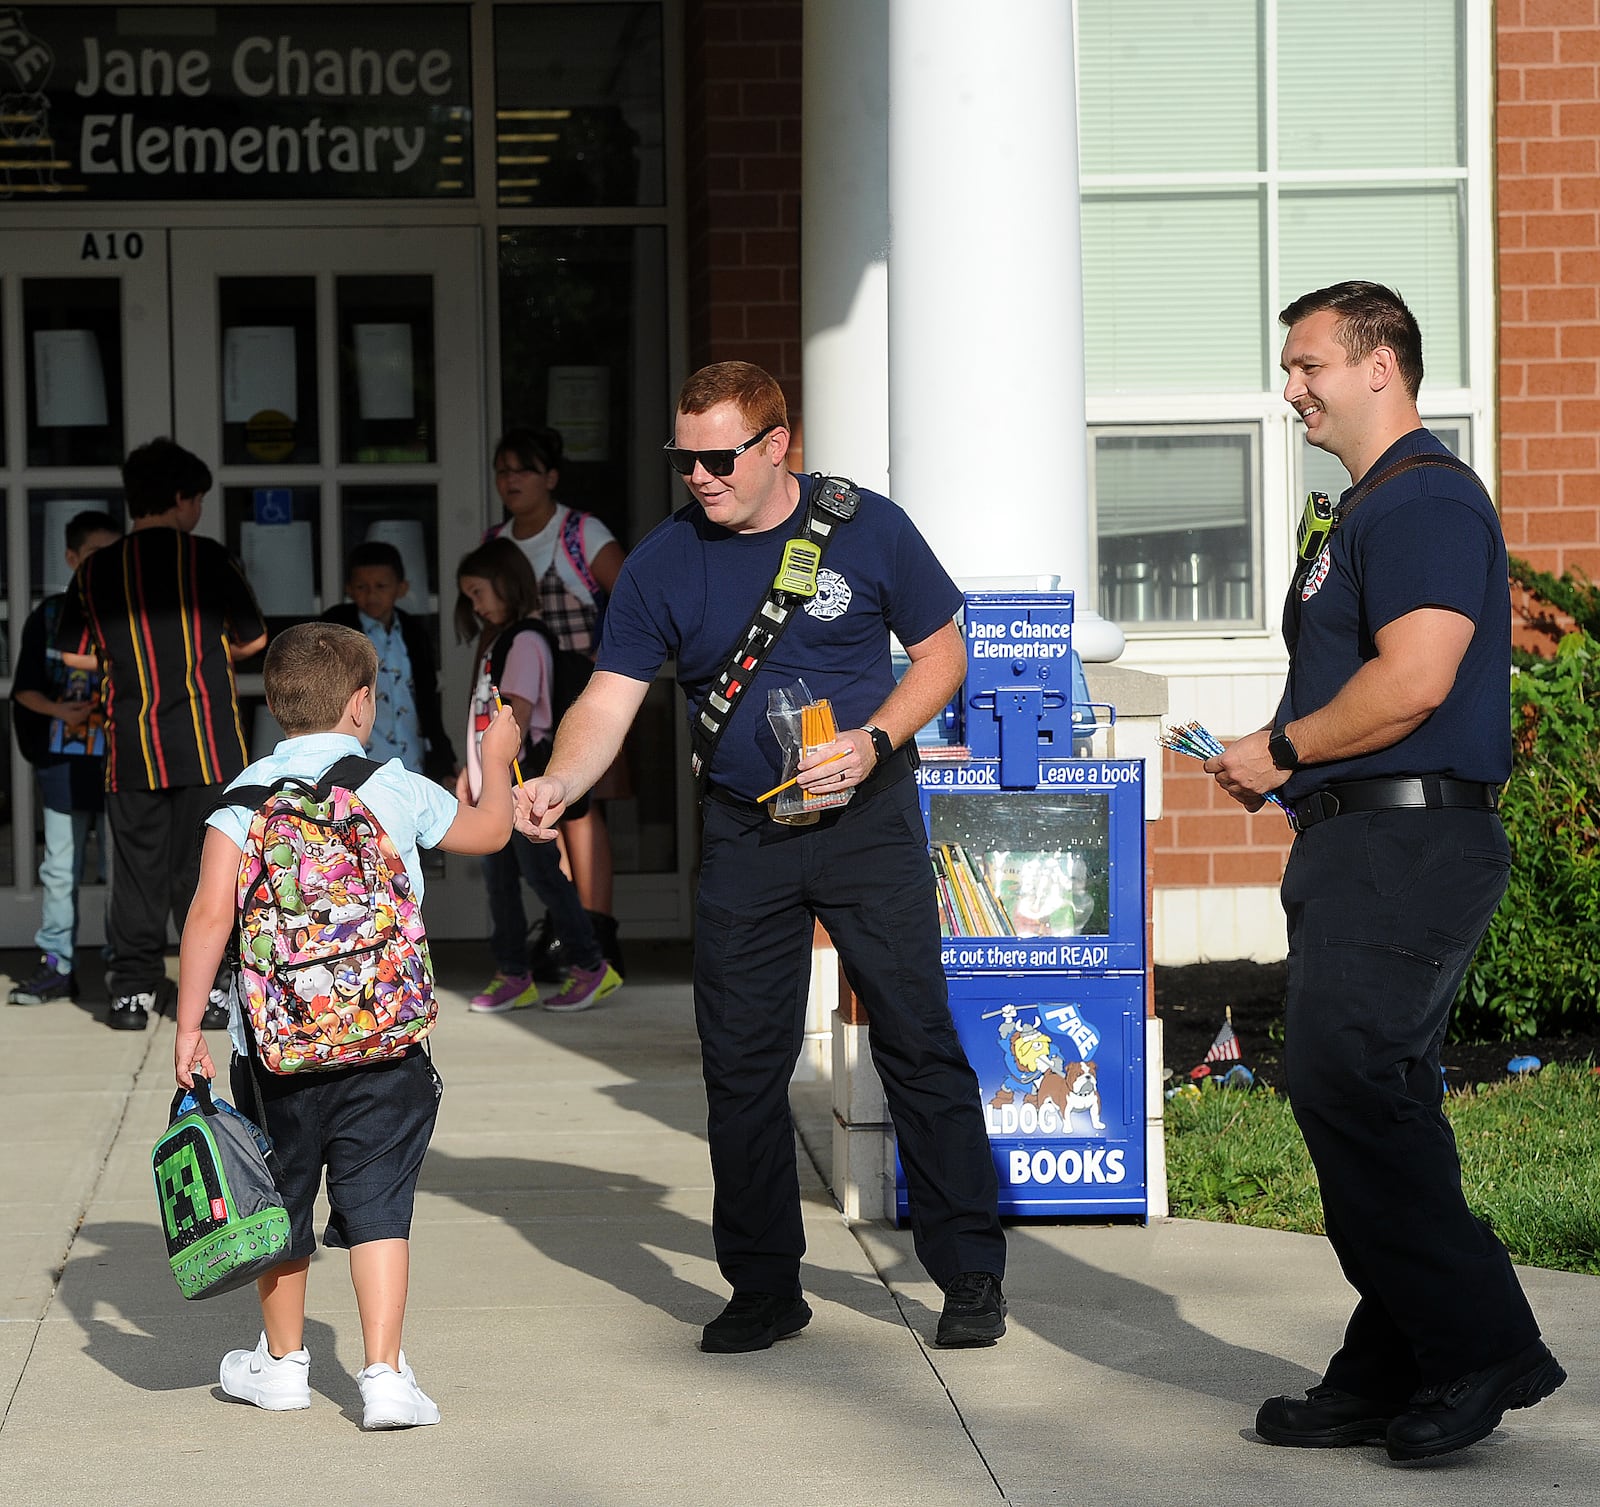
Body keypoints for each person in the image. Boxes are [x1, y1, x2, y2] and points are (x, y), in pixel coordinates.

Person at [511, 360, 1007, 1353]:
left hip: (867, 823)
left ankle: (969, 1274)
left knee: (915, 1040)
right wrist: (560, 779)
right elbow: (608, 700)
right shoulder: (660, 561)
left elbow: (945, 653)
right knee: (741, 1068)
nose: (696, 474)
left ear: (776, 444)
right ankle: (765, 1286)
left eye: (716, 455)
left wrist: (872, 740)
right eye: (683, 457)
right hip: (744, 832)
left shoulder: (867, 527)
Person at [1205, 282, 1564, 1462]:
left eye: (1309, 363)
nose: (1291, 385)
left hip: (1409, 844)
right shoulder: (1365, 508)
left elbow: (1416, 677)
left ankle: (1481, 1345)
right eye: (1289, 364)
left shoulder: (1420, 501)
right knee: (1377, 1095)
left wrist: (1284, 748)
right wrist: (1284, 763)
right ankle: (1388, 1361)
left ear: (1381, 366)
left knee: (1346, 1080)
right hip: (1361, 843)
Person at [173, 621, 520, 1430]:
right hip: (388, 1048)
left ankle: (286, 1364)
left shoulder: (241, 799)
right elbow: (491, 831)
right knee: (379, 1207)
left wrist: (191, 1026)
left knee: (279, 1199)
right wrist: (497, 760)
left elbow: (206, 916)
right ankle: (385, 1375)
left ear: (274, 703)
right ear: (364, 703)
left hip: (276, 1052)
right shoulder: (392, 786)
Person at [55, 438, 268, 1032]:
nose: (198, 510)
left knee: (136, 870)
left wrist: (123, 660)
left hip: (133, 745)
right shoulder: (208, 559)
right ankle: (220, 988)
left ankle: (130, 993)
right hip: (209, 742)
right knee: (211, 868)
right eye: (196, 498)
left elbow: (73, 653)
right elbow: (252, 640)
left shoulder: (97, 568)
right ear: (180, 499)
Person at [455, 538, 621, 1014]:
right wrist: (473, 770)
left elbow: (516, 717)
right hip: (498, 784)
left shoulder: (525, 640)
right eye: (469, 596)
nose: (476, 605)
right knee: (502, 881)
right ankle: (516, 972)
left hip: (516, 785)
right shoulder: (504, 639)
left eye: (479, 592)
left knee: (539, 877)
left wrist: (490, 774)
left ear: (506, 585)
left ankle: (590, 965)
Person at [486, 425, 628, 975]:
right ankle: (564, 930)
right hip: (525, 698)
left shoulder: (581, 533)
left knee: (583, 812)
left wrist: (610, 663)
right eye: (503, 470)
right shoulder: (495, 542)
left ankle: (597, 928)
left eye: (522, 469)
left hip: (584, 690)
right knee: (542, 808)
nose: (511, 480)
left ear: (550, 476)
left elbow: (634, 597)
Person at [7, 510, 121, 1005]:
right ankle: (57, 962)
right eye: (96, 556)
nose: (105, 566)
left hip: (122, 763)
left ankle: (125, 966)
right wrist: (59, 708)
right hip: (62, 765)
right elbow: (24, 690)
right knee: (59, 866)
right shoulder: (50, 616)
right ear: (72, 558)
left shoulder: (129, 615)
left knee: (124, 869)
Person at [322, 539, 456, 783]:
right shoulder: (337, 627)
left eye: (381, 586)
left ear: (401, 588)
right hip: (357, 756)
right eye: (362, 586)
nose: (371, 594)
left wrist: (443, 759)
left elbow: (426, 700)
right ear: (349, 589)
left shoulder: (413, 632)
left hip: (410, 756)